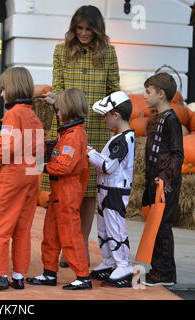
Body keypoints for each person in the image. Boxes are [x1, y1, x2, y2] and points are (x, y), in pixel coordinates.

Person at [41, 5, 120, 267]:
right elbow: (59, 85)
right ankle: (64, 244)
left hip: (96, 128)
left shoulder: (108, 53)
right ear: (74, 27)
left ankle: (79, 245)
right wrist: (55, 99)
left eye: (89, 29)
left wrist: (112, 116)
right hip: (65, 125)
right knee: (63, 190)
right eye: (79, 28)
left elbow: (113, 90)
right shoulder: (61, 51)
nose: (84, 33)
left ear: (97, 30)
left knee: (87, 192)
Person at [0, 67, 44, 291]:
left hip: (14, 174)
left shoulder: (12, 114)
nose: (2, 94)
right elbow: (40, 148)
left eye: (3, 89)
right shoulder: (33, 115)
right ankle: (18, 275)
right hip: (32, 176)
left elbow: (9, 146)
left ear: (12, 89)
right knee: (22, 228)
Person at [26, 88, 91, 290]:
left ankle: (82, 276)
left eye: (60, 109)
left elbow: (64, 166)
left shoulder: (73, 136)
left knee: (70, 235)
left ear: (69, 110)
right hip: (59, 192)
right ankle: (49, 272)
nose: (58, 113)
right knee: (51, 233)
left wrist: (41, 166)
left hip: (67, 191)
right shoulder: (69, 132)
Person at [87, 91, 135, 288]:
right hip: (106, 189)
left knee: (115, 227)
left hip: (115, 191)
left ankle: (124, 265)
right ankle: (110, 260)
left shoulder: (124, 139)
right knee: (104, 228)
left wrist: (88, 151)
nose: (105, 119)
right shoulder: (120, 137)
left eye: (106, 115)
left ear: (116, 115)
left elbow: (108, 166)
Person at [141, 73, 183, 287]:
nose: (144, 96)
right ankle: (159, 269)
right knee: (155, 226)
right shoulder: (155, 118)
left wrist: (165, 178)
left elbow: (178, 153)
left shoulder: (172, 120)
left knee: (162, 226)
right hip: (153, 182)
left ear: (160, 93)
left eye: (148, 92)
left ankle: (164, 273)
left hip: (165, 184)